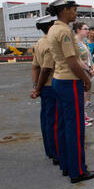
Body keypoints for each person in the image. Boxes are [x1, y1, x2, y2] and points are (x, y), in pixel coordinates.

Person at [46, 0, 94, 184]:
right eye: (74, 10)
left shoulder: (53, 29)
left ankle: (67, 165)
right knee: (75, 128)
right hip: (69, 81)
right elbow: (72, 61)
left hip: (59, 80)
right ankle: (77, 171)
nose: (76, 14)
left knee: (63, 125)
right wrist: (86, 79)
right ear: (64, 10)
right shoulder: (65, 32)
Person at [30, 15, 60, 167]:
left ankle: (49, 150)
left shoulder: (40, 42)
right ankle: (56, 153)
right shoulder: (51, 44)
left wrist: (35, 87)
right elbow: (46, 69)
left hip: (44, 87)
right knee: (54, 120)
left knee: (46, 119)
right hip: (52, 86)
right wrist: (39, 87)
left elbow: (35, 66)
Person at [73, 22, 94, 127]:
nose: (87, 31)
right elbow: (78, 60)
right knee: (82, 96)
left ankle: (83, 113)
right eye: (85, 29)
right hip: (81, 71)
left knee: (85, 95)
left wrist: (93, 67)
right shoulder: (75, 42)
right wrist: (89, 69)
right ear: (78, 30)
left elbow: (89, 56)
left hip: (88, 70)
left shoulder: (84, 42)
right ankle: (80, 117)